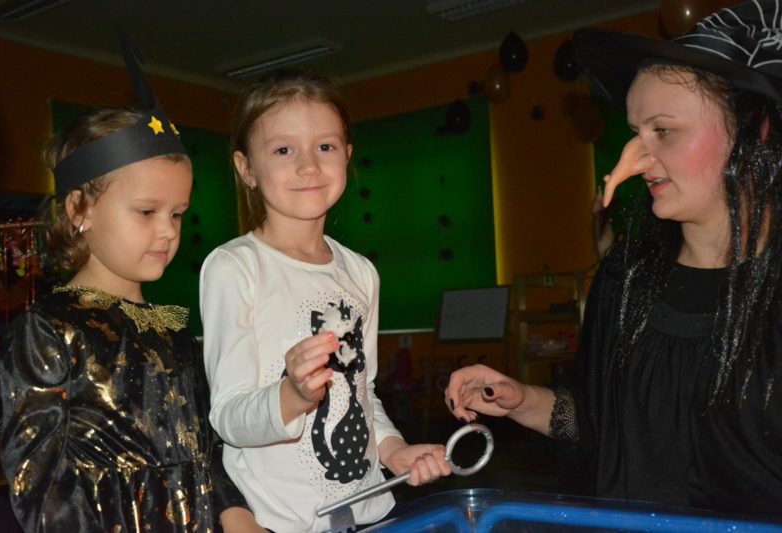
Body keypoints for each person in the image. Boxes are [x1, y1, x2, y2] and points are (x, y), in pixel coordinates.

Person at [445, 0, 782, 516]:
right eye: (634, 132)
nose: (634, 159)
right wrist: (522, 399)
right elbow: (594, 421)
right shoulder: (628, 279)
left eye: (663, 130)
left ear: (756, 131)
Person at [0, 35, 261, 532]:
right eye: (146, 211)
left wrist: (237, 514)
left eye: (177, 214)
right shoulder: (49, 330)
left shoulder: (172, 327)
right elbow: (40, 485)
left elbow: (204, 448)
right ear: (80, 209)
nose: (168, 231)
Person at [200, 69, 451, 532]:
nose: (308, 166)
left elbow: (362, 391)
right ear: (246, 168)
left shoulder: (360, 272)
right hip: (282, 521)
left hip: (370, 512)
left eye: (325, 146)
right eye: (283, 150)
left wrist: (393, 449)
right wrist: (292, 395)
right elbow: (228, 417)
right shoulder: (234, 267)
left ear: (347, 156)